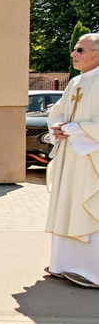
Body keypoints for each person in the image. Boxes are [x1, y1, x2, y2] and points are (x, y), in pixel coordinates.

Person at [45, 32, 99, 288]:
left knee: (89, 206)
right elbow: (58, 112)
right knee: (68, 205)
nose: (73, 54)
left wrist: (72, 129)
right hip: (70, 155)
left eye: (80, 50)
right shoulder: (76, 82)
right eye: (75, 49)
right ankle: (63, 264)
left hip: (91, 158)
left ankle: (91, 270)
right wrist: (57, 127)